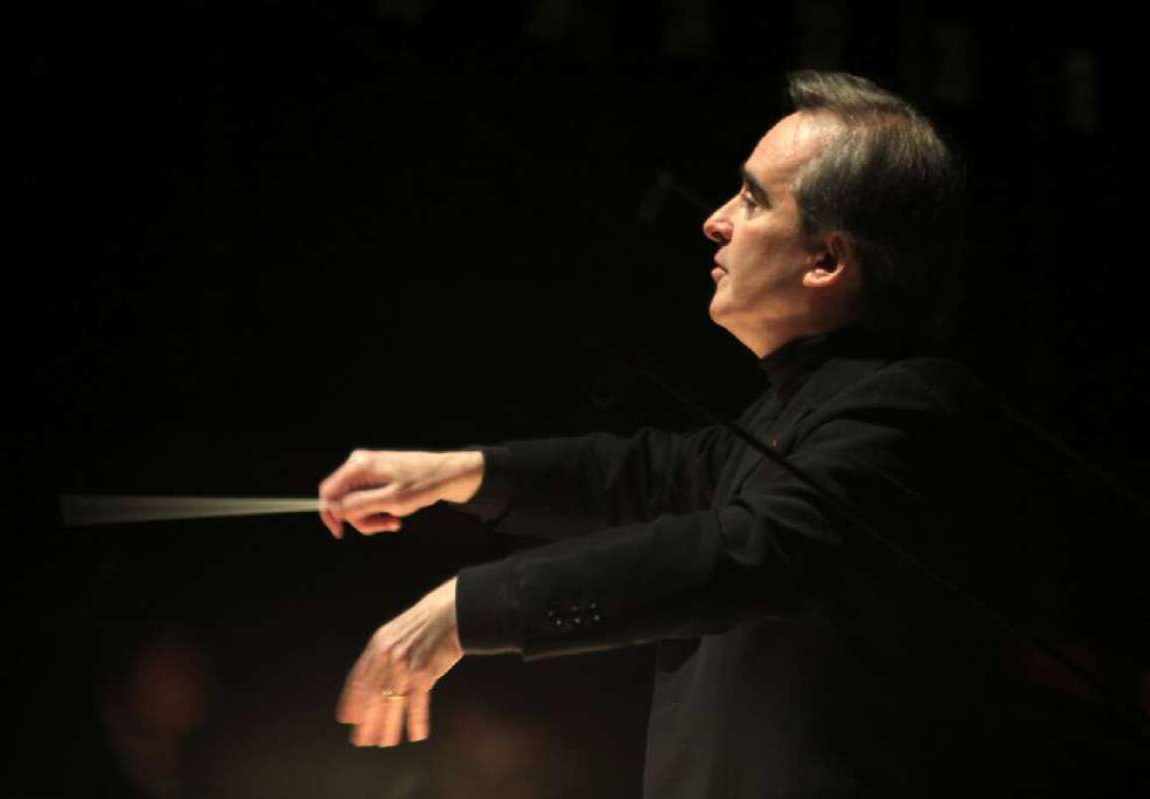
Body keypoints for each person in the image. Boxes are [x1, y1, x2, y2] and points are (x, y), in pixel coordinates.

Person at [316, 72, 1123, 796]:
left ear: (827, 261)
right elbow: (639, 474)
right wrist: (449, 472)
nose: (714, 222)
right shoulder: (782, 420)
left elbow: (750, 549)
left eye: (752, 200)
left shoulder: (908, 411)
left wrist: (467, 608)